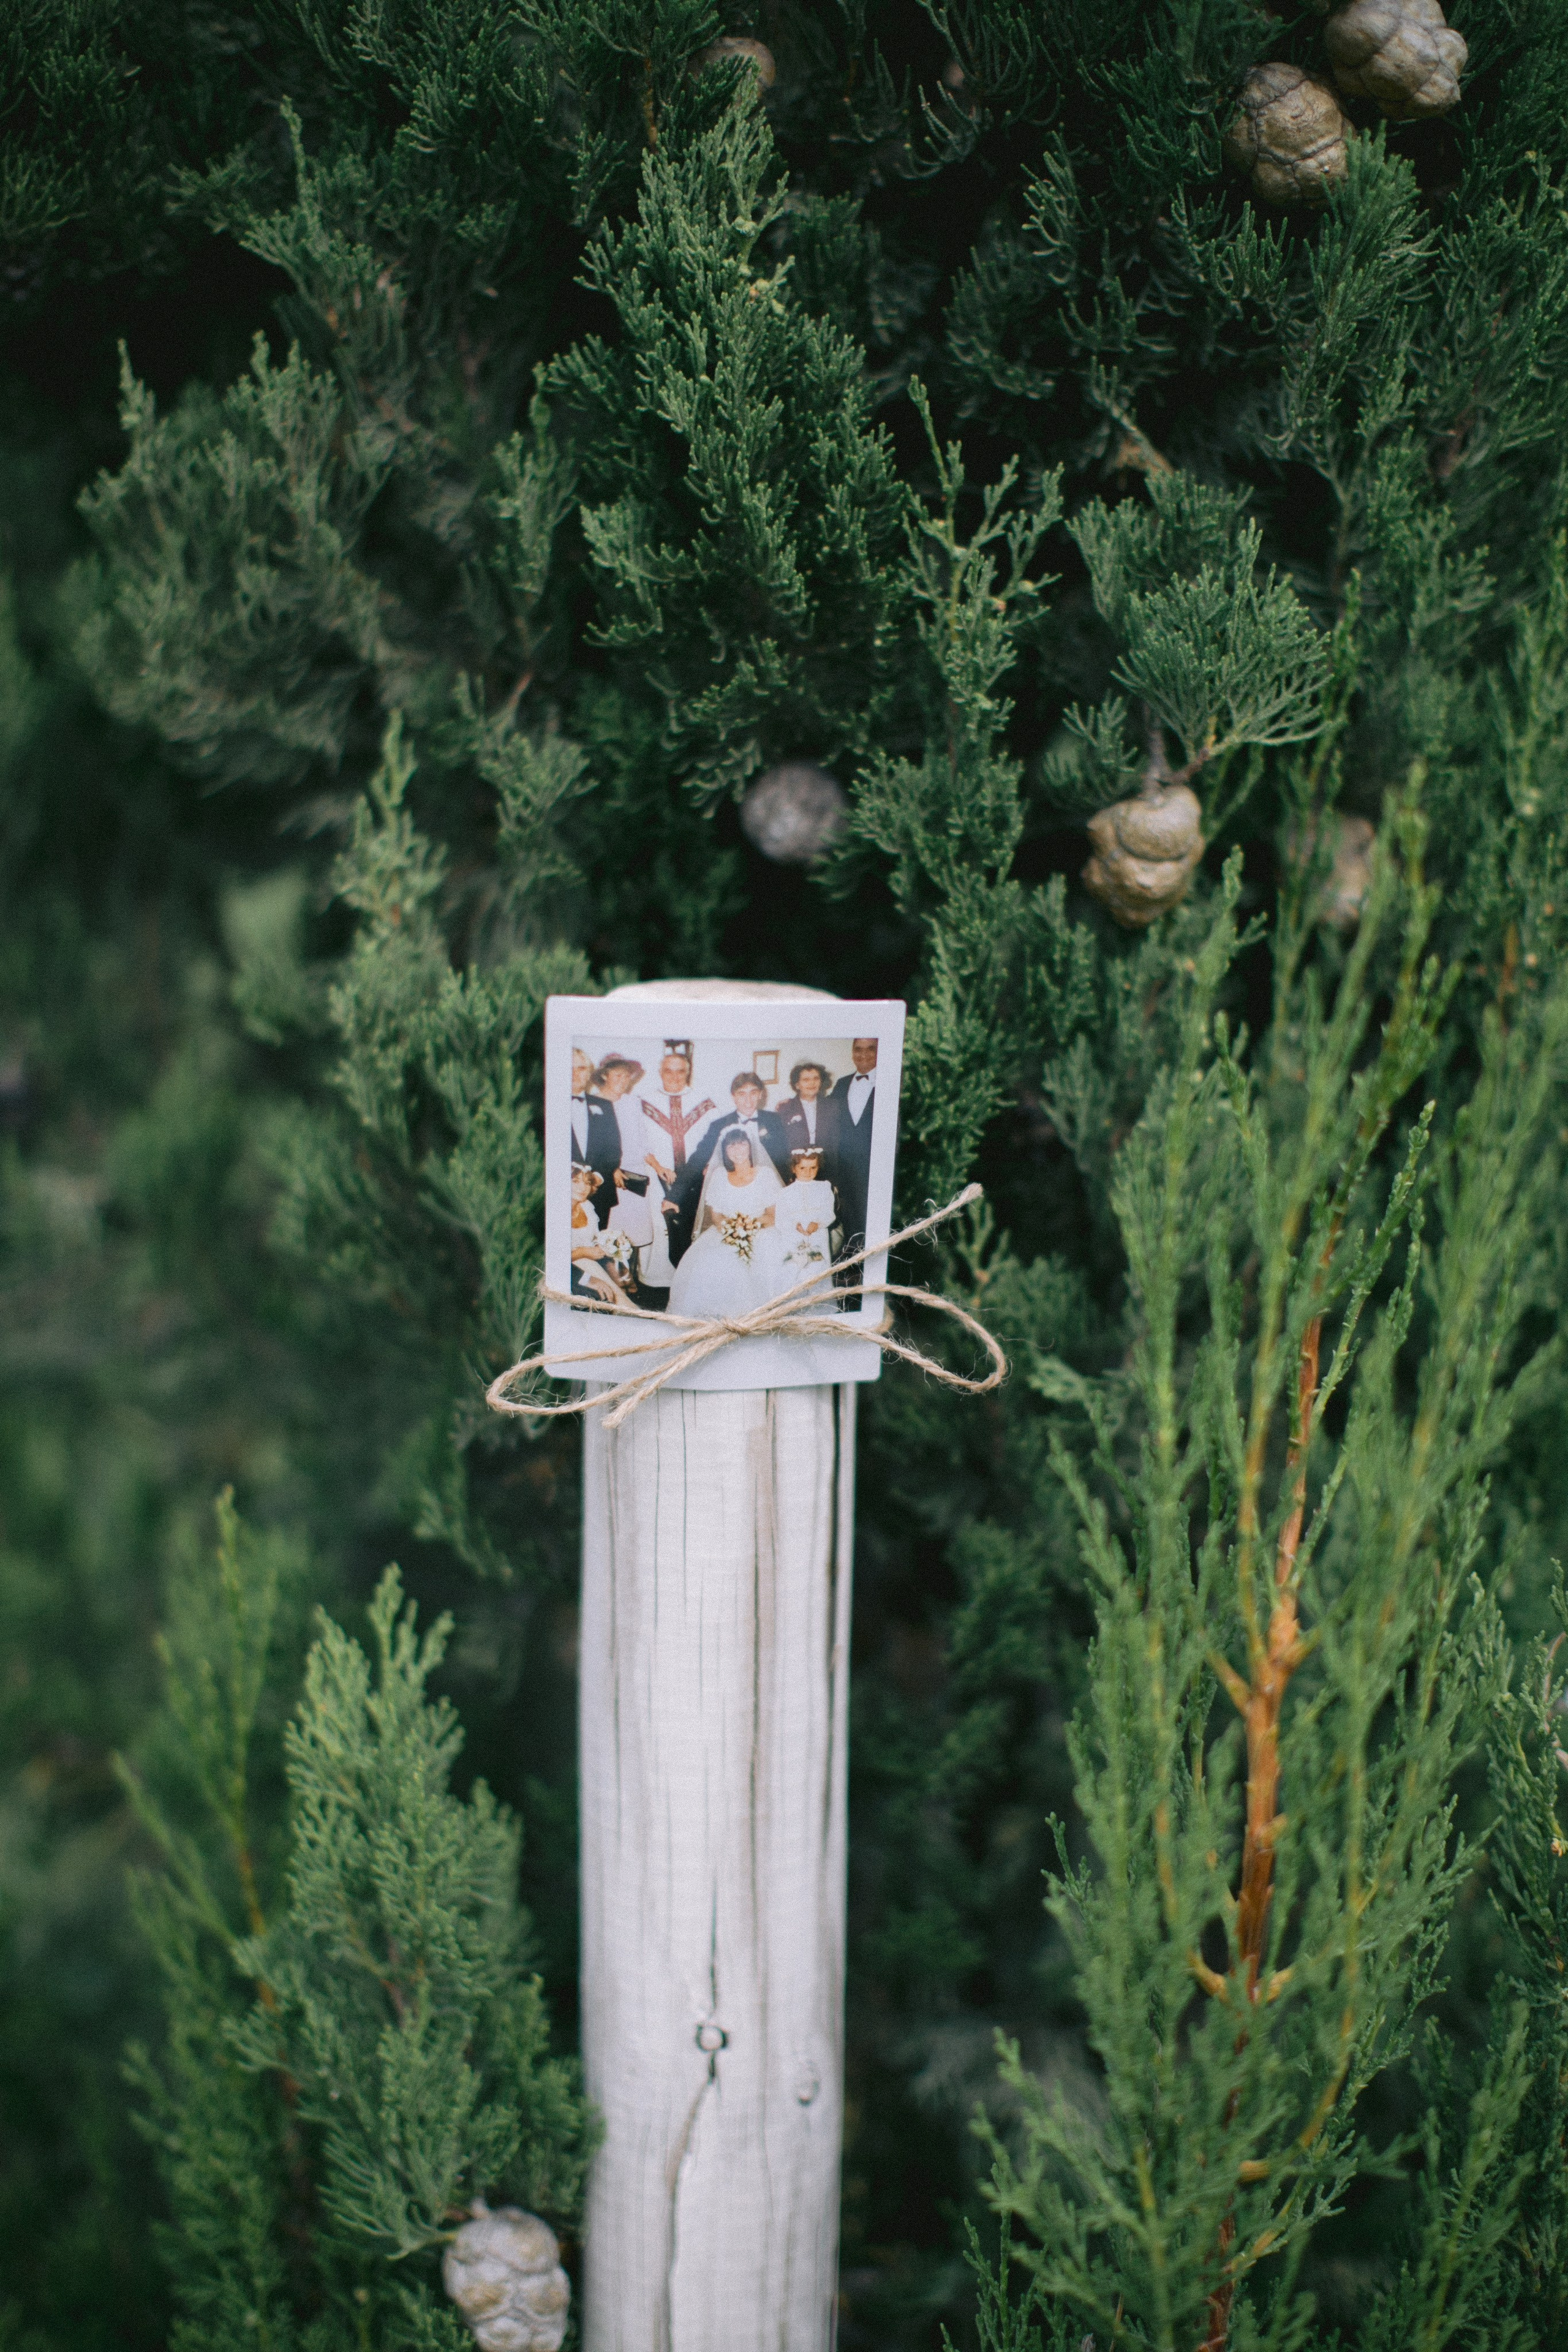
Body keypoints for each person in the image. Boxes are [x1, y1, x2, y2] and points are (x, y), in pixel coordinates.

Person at [666, 1071, 791, 1266]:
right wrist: (673, 1196)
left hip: (768, 1199)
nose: (748, 1099)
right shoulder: (719, 1125)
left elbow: (785, 1161)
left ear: (760, 1094)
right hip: (734, 1198)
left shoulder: (775, 1121)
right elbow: (697, 1160)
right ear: (733, 1097)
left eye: (753, 1093)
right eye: (741, 1094)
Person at [631, 1041, 718, 1306]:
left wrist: (709, 1165)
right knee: (659, 1228)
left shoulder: (705, 1102)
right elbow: (637, 1142)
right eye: (669, 1070)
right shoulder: (643, 1102)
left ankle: (691, 1281)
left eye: (680, 1071)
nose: (674, 1076)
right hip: (657, 1173)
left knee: (694, 1228)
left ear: (687, 1072)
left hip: (694, 1179)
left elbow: (713, 1140)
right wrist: (658, 1167)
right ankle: (658, 1286)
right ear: (660, 1071)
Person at [667, 1131, 788, 1320]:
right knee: (710, 1262)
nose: (737, 1150)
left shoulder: (765, 1175)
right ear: (725, 1150)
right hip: (726, 1233)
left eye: (741, 1144)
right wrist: (732, 1231)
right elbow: (716, 1217)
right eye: (731, 1146)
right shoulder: (720, 1176)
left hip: (762, 1232)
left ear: (750, 1146)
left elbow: (772, 1216)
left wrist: (749, 1226)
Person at [827, 1036, 878, 1266]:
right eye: (858, 1049)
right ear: (852, 1053)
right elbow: (823, 1109)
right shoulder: (842, 1083)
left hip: (872, 1167)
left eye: (871, 1049)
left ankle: (869, 1267)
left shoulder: (890, 1083)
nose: (864, 1055)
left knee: (870, 1220)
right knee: (848, 1216)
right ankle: (852, 1267)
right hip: (844, 1166)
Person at [775, 1147, 838, 1286]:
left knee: (818, 1271)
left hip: (818, 1236)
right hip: (793, 1238)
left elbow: (829, 1213)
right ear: (794, 1168)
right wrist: (795, 1225)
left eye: (813, 1168)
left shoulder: (824, 1188)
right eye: (803, 1168)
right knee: (795, 1272)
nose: (808, 1172)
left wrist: (818, 1223)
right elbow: (780, 1220)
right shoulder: (784, 1193)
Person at [570, 1046, 623, 1204]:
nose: (574, 1074)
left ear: (589, 1073)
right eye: (569, 1068)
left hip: (598, 1193)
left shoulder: (604, 1106)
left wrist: (597, 1178)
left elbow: (613, 1150)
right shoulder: (548, 1106)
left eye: (581, 1068)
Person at [590, 1055, 648, 1194]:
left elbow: (643, 1141)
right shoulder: (591, 1105)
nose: (623, 1081)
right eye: (618, 1076)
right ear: (605, 1075)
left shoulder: (633, 1103)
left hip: (635, 1176)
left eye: (627, 1076)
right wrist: (612, 1169)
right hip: (605, 1176)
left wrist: (659, 1168)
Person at [568, 1165, 625, 1304]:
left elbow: (594, 1240)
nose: (583, 1188)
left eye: (587, 1183)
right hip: (572, 1270)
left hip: (592, 1262)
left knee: (622, 1286)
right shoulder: (555, 1212)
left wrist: (612, 1247)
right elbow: (553, 1258)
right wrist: (582, 1253)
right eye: (576, 1182)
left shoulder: (587, 1206)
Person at [776, 1059, 839, 1181]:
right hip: (797, 1171)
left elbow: (835, 1143)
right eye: (806, 1080)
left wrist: (834, 1177)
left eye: (816, 1079)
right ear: (797, 1085)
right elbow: (782, 1144)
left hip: (824, 1170)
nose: (812, 1083)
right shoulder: (785, 1108)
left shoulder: (832, 1107)